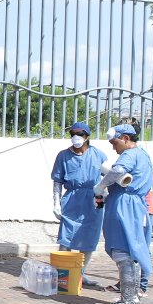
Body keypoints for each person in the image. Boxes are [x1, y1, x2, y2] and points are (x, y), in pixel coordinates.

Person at [94, 123, 153, 304]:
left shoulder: (129, 154)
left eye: (115, 142)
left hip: (124, 204)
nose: (113, 147)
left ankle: (128, 301)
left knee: (122, 251)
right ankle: (132, 298)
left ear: (126, 139)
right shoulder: (144, 155)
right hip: (136, 205)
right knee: (132, 251)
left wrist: (101, 186)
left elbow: (119, 171)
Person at [51, 121, 106, 287]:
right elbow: (57, 180)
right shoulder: (63, 156)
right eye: (73, 133)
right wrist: (55, 202)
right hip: (72, 198)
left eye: (80, 134)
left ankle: (80, 274)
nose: (76, 137)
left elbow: (109, 176)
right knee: (66, 238)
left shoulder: (98, 155)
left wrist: (103, 195)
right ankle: (63, 275)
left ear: (87, 136)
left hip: (94, 198)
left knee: (89, 238)